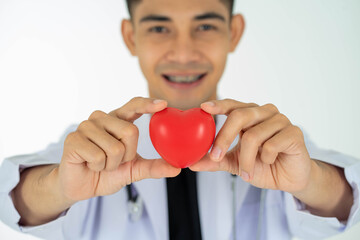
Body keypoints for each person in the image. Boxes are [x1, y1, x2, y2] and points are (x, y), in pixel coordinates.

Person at [0, 0, 359, 239]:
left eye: (205, 27)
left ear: (233, 32)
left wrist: (311, 180)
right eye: (159, 28)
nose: (184, 53)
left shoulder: (270, 144)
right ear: (131, 37)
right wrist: (59, 187)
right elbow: (9, 197)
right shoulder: (94, 149)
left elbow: (349, 200)